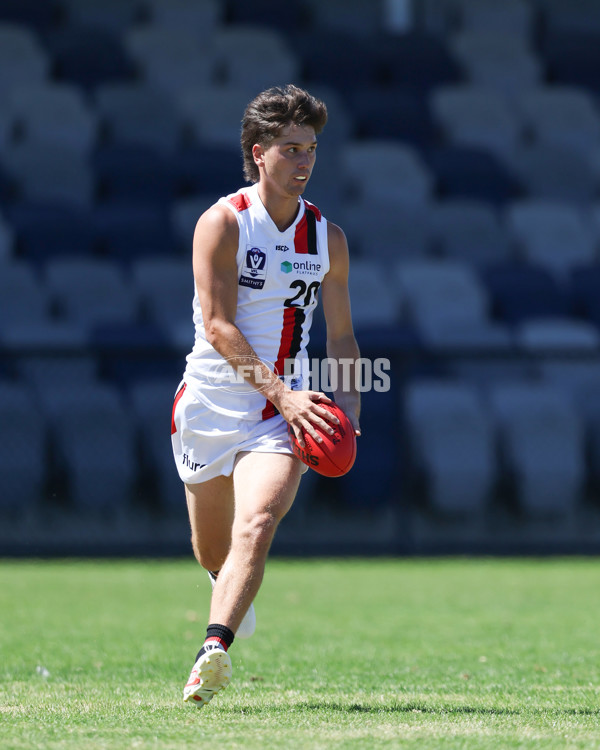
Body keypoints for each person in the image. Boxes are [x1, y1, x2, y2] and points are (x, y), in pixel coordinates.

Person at [171, 84, 361, 707]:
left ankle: (213, 649)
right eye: (290, 149)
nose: (304, 162)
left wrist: (346, 414)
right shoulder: (223, 222)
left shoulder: (327, 238)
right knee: (214, 550)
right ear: (259, 153)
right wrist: (284, 393)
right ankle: (226, 587)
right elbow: (220, 326)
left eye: (310, 149)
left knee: (257, 523)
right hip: (207, 403)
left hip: (282, 412)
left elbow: (342, 338)